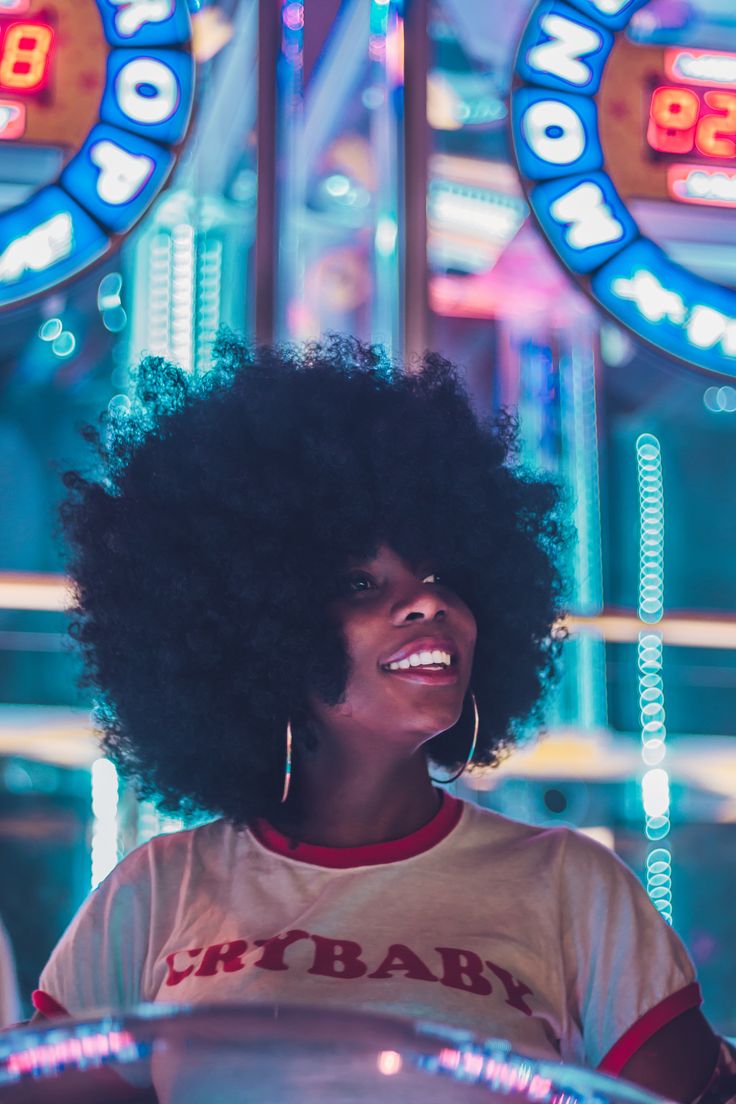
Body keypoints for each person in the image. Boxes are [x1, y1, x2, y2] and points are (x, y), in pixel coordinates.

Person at [34, 334, 734, 1100]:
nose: (429, 600)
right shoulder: (158, 891)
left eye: (439, 575)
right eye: (363, 582)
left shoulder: (570, 886)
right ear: (261, 628)